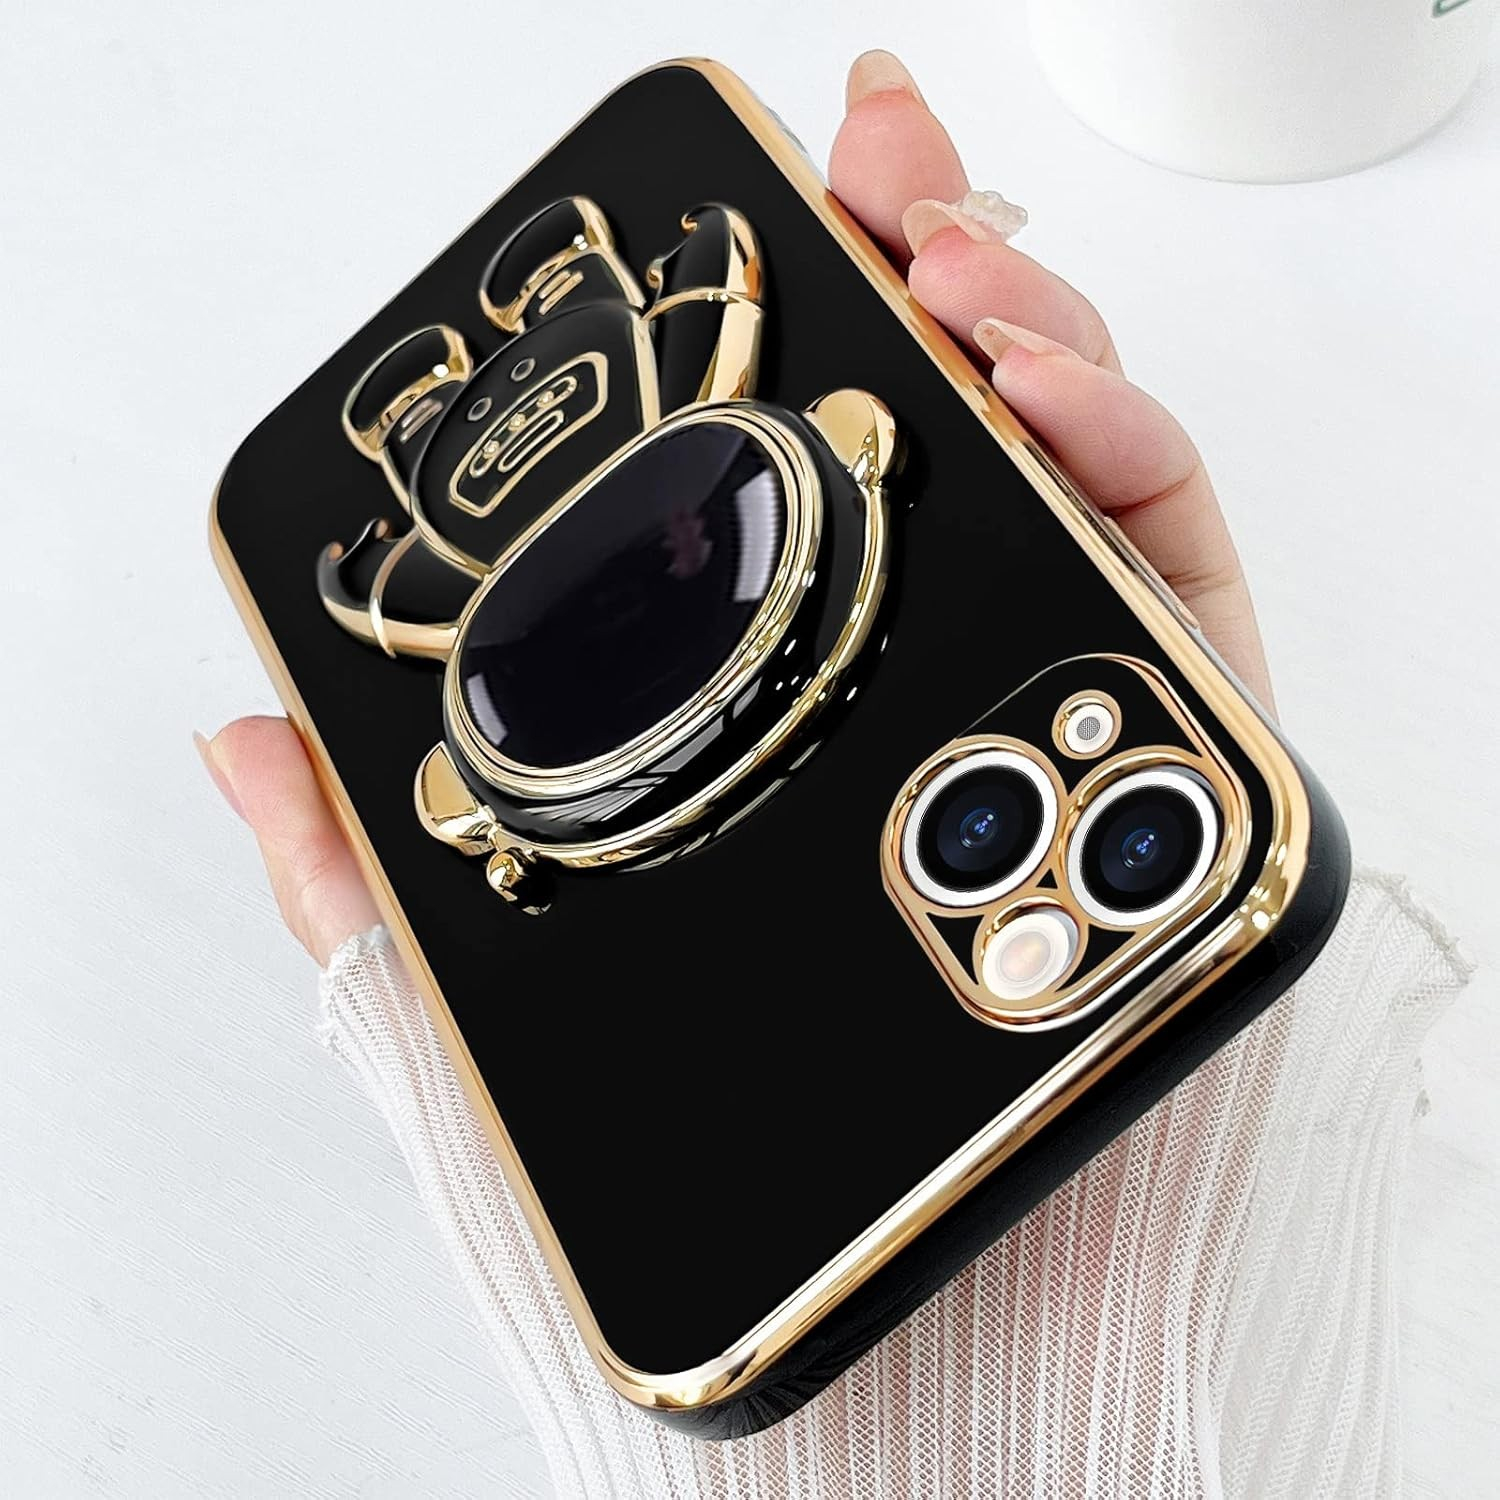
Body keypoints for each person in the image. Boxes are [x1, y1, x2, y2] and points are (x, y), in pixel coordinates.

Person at [196, 53, 1467, 1499]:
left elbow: (383, 587)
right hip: (661, 638)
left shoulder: (476, 566)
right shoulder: (678, 377)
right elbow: (715, 300)